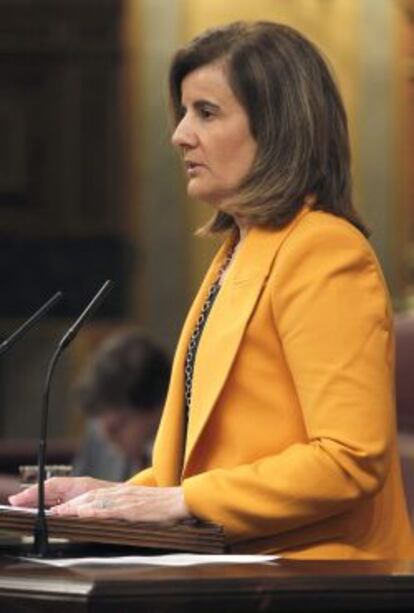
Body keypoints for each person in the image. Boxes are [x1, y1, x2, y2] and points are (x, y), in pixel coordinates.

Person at [10, 21, 414, 560]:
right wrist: (108, 496)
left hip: (320, 573)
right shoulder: (237, 251)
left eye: (206, 112)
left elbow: (348, 459)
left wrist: (175, 499)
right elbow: (208, 474)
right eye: (183, 112)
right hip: (236, 562)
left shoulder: (323, 251)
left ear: (275, 128)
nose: (179, 134)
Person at [72, 329, 170, 482]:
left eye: (120, 423)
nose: (106, 432)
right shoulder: (98, 436)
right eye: (99, 416)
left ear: (160, 407)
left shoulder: (188, 452)